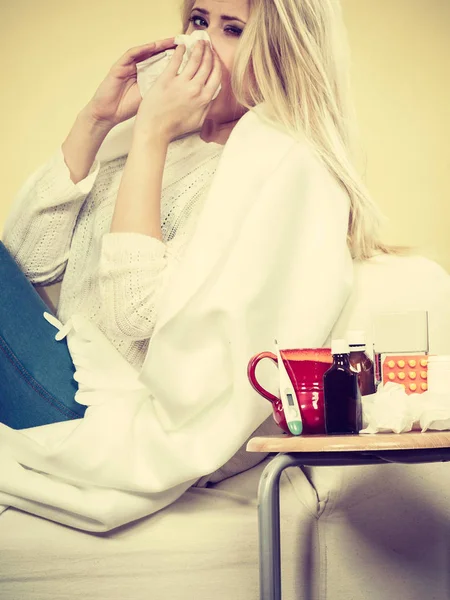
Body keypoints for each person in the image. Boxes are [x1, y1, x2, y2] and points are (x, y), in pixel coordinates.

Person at [0, 0, 396, 431]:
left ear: (281, 53)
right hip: (56, 372)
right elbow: (23, 263)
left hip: (103, 412)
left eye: (233, 30)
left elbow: (135, 317)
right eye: (199, 20)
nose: (201, 43)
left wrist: (152, 134)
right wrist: (96, 120)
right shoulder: (143, 139)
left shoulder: (275, 168)